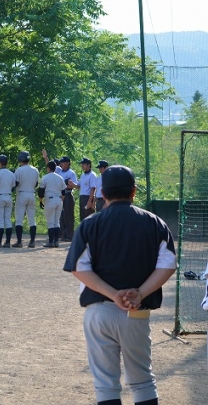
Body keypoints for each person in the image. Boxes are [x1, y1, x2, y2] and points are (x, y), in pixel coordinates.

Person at [63, 165, 176, 405]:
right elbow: (168, 265)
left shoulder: (90, 224)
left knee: (105, 384)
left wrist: (113, 294)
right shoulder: (154, 222)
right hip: (137, 311)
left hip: (99, 311)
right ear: (133, 191)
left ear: (103, 193)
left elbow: (78, 268)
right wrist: (140, 293)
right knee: (143, 381)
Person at [13, 151, 39, 248]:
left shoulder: (19, 170)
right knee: (32, 220)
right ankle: (32, 241)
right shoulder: (35, 170)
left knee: (19, 220)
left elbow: (15, 183)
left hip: (22, 193)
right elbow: (36, 184)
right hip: (31, 194)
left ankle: (19, 242)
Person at [38, 161, 66, 248]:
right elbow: (63, 191)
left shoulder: (45, 177)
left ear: (48, 168)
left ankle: (51, 242)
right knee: (56, 221)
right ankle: (56, 241)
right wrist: (61, 200)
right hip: (59, 200)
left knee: (50, 222)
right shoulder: (60, 178)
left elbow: (41, 191)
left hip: (50, 200)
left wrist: (40, 201)